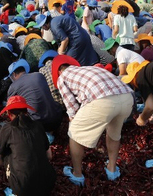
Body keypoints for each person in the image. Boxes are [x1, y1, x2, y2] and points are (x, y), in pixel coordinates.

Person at [53, 55, 134, 186]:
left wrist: (74, 120)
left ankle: (77, 175)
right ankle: (112, 170)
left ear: (59, 71)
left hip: (103, 101)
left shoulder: (62, 77)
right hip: (127, 97)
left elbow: (72, 107)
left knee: (74, 133)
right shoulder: (89, 69)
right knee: (114, 133)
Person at [0, 95, 56, 196]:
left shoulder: (7, 129)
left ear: (8, 113)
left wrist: (8, 167)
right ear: (26, 111)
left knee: (7, 154)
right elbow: (49, 156)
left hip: (22, 189)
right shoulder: (38, 125)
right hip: (48, 184)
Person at [7, 59, 63, 142]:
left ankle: (43, 136)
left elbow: (10, 108)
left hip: (38, 124)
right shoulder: (39, 75)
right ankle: (50, 132)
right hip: (57, 118)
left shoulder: (13, 86)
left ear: (14, 74)